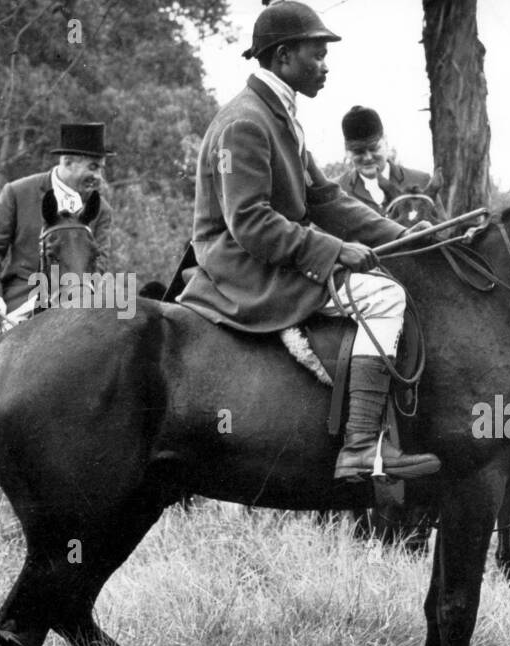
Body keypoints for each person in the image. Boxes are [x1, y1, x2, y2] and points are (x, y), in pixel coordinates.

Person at [177, 1, 439, 481]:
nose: (325, 65)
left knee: (384, 276)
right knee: (384, 295)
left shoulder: (278, 114)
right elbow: (251, 222)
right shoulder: (246, 123)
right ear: (282, 58)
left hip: (264, 253)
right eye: (316, 54)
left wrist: (407, 239)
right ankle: (361, 446)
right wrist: (335, 251)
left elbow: (327, 201)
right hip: (242, 263)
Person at [0, 122, 114, 361]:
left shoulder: (101, 209)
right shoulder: (17, 193)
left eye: (100, 169)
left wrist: (80, 297)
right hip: (20, 300)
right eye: (93, 167)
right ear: (67, 162)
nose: (98, 177)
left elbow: (100, 261)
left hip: (78, 302)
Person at [334, 106, 432, 218]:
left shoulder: (421, 181)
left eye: (374, 148)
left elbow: (444, 232)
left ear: (385, 141)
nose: (368, 157)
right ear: (347, 151)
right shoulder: (336, 191)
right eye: (358, 151)